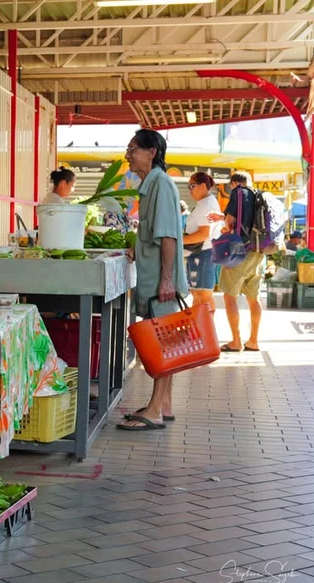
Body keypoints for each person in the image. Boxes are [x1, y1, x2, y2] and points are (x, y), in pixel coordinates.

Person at [118, 129, 188, 432]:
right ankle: (165, 404)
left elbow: (168, 236)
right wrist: (137, 246)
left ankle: (156, 409)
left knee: (164, 346)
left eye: (133, 149)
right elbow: (153, 234)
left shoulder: (160, 183)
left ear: (152, 152)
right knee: (166, 343)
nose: (128, 155)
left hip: (162, 282)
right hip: (156, 278)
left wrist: (167, 280)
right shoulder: (151, 184)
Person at [217, 171, 264, 353]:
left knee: (230, 296)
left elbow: (230, 223)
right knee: (254, 298)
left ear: (235, 183)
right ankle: (253, 340)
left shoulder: (238, 193)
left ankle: (236, 341)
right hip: (259, 251)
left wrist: (224, 228)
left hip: (239, 251)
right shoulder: (258, 195)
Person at [182, 172, 221, 314]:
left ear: (203, 186)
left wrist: (179, 241)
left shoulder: (207, 205)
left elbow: (204, 234)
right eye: (188, 187)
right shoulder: (205, 203)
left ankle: (206, 332)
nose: (190, 190)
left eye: (192, 186)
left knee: (203, 296)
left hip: (204, 254)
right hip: (200, 254)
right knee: (198, 294)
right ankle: (197, 330)